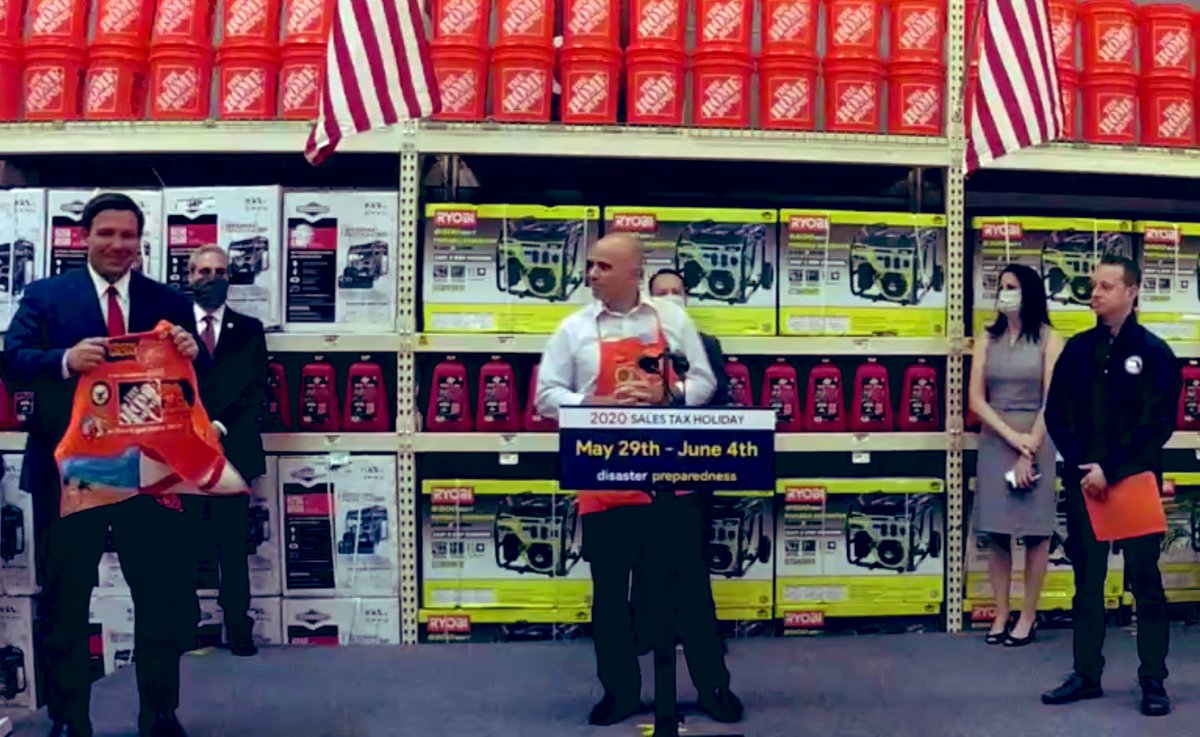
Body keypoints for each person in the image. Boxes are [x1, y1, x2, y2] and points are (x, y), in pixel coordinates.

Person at [3, 193, 204, 737]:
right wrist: (64, 360)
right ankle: (69, 719)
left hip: (148, 473)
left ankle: (160, 713)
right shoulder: (46, 297)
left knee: (159, 598)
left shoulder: (169, 302)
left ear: (141, 241)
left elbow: (196, 382)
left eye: (128, 236)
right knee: (66, 601)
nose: (118, 245)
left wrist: (192, 351)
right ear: (84, 237)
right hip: (71, 474)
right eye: (106, 234)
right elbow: (12, 362)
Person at [535, 233, 742, 726]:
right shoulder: (573, 329)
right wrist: (594, 403)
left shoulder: (671, 320)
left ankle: (714, 687)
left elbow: (706, 383)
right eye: (590, 265)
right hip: (604, 478)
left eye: (603, 266)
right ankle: (620, 692)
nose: (591, 274)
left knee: (691, 589)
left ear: (633, 273)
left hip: (673, 476)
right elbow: (547, 396)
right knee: (610, 595)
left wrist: (666, 396)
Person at [1042, 254, 1177, 717]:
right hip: (1086, 485)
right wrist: (1083, 466)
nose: (1094, 293)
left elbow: (1158, 425)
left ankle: (1154, 679)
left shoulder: (1156, 354)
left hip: (1133, 481)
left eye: (1105, 286)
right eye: (1093, 286)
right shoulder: (1077, 350)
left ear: (1131, 292)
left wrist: (1112, 469)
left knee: (1146, 584)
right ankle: (1086, 673)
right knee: (1087, 582)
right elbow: (1056, 413)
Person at [969, 264, 1063, 646]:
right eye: (1000, 286)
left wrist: (1029, 447)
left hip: (1037, 437)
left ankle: (1028, 615)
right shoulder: (986, 338)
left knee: (1037, 533)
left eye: (1012, 287)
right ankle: (1001, 612)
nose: (1004, 293)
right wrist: (1011, 438)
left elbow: (1051, 400)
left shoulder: (1049, 339)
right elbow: (976, 397)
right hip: (996, 439)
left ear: (1029, 293)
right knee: (997, 531)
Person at [181, 244, 268, 658]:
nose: (211, 279)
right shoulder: (172, 328)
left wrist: (218, 426)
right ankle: (184, 624)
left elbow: (256, 388)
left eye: (220, 272)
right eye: (203, 272)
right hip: (180, 452)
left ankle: (238, 625)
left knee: (232, 544)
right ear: (189, 275)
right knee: (181, 543)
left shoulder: (249, 329)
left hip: (232, 448)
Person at [647, 268, 730, 407]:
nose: (670, 298)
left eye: (676, 292)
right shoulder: (640, 338)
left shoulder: (708, 344)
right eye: (662, 294)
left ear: (685, 297)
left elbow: (719, 397)